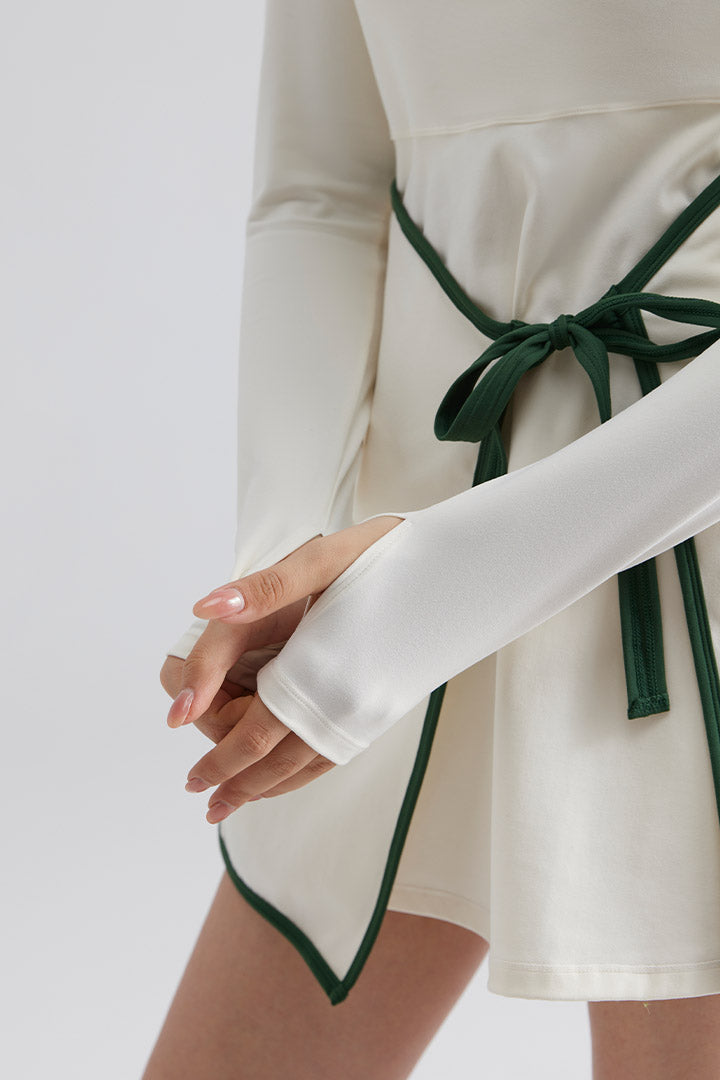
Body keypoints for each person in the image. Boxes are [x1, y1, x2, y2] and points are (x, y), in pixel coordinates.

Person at [144, 1, 720, 1076]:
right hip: (397, 535)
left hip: (684, 510)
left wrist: (428, 594)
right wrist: (285, 560)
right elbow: (323, 188)